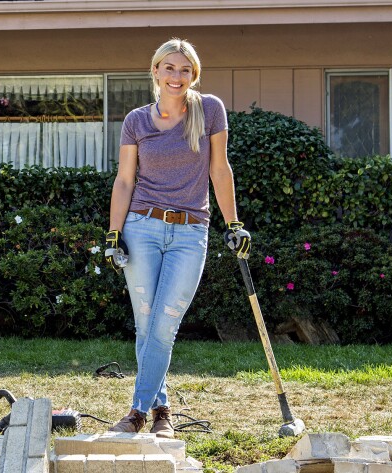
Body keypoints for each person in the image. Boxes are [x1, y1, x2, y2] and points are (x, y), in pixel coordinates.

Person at [104, 38, 251, 438]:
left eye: (185, 69)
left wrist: (233, 223)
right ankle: (160, 413)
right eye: (169, 68)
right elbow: (124, 180)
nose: (176, 76)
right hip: (142, 226)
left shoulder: (209, 111)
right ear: (155, 71)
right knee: (146, 322)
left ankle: (136, 412)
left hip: (191, 231)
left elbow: (220, 171)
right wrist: (114, 233)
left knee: (165, 323)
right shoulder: (136, 120)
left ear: (194, 75)